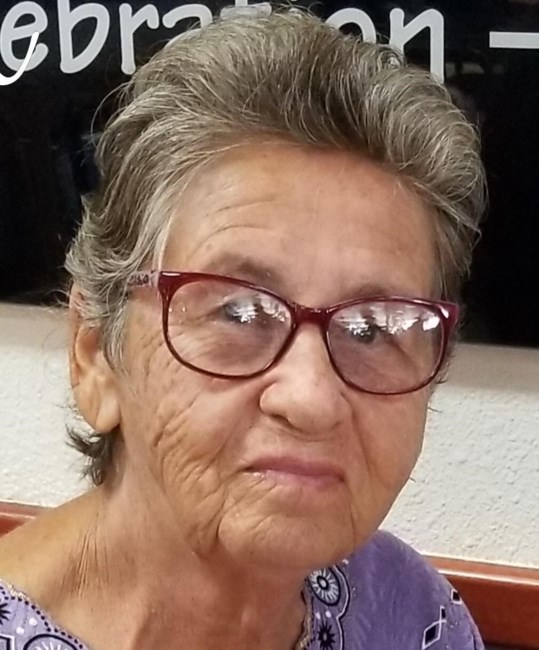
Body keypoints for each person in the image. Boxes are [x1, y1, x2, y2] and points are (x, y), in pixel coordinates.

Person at [0, 9, 486, 650]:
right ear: (95, 353)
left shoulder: (410, 613)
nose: (309, 400)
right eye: (238, 313)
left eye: (373, 327)